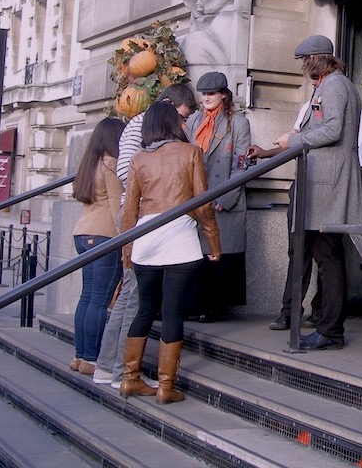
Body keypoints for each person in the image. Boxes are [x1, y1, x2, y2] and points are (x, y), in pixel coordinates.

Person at [91, 83, 197, 388]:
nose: (182, 123)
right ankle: (120, 373)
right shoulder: (143, 127)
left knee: (127, 296)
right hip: (141, 219)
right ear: (166, 106)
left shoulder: (142, 128)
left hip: (140, 218)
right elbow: (127, 171)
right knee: (136, 299)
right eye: (180, 116)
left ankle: (107, 366)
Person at [120, 100, 221, 403]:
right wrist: (214, 244)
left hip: (145, 238)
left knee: (145, 309)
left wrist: (126, 249)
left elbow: (130, 210)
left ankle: (130, 379)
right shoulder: (190, 152)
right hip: (179, 237)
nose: (184, 123)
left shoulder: (138, 158)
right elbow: (202, 204)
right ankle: (166, 386)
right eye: (179, 120)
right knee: (174, 312)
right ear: (172, 123)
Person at [272, 34, 362, 351]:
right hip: (324, 183)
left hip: (329, 184)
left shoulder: (335, 85)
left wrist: (294, 140)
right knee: (327, 256)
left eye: (304, 61)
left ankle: (330, 330)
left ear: (315, 59)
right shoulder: (332, 85)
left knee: (328, 258)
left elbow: (333, 129)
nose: (302, 67)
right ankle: (329, 328)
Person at [253, 95, 362, 332]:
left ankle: (322, 313)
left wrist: (344, 201)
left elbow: (360, 162)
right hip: (305, 187)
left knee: (328, 253)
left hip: (331, 191)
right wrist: (266, 153)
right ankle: (289, 312)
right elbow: (294, 143)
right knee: (298, 250)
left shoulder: (355, 115)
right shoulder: (308, 107)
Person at [184, 71, 251, 321]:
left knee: (219, 254)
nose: (206, 98)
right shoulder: (193, 121)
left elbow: (241, 163)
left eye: (211, 93)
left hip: (223, 197)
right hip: (195, 197)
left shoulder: (238, 122)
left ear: (224, 94)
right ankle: (195, 304)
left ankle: (214, 306)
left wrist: (226, 198)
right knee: (196, 253)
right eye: (203, 94)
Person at [68, 117, 125, 375]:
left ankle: (80, 355)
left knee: (87, 297)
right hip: (105, 235)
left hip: (82, 233)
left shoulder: (88, 164)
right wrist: (129, 237)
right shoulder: (110, 163)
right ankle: (91, 358)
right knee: (100, 302)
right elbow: (117, 207)